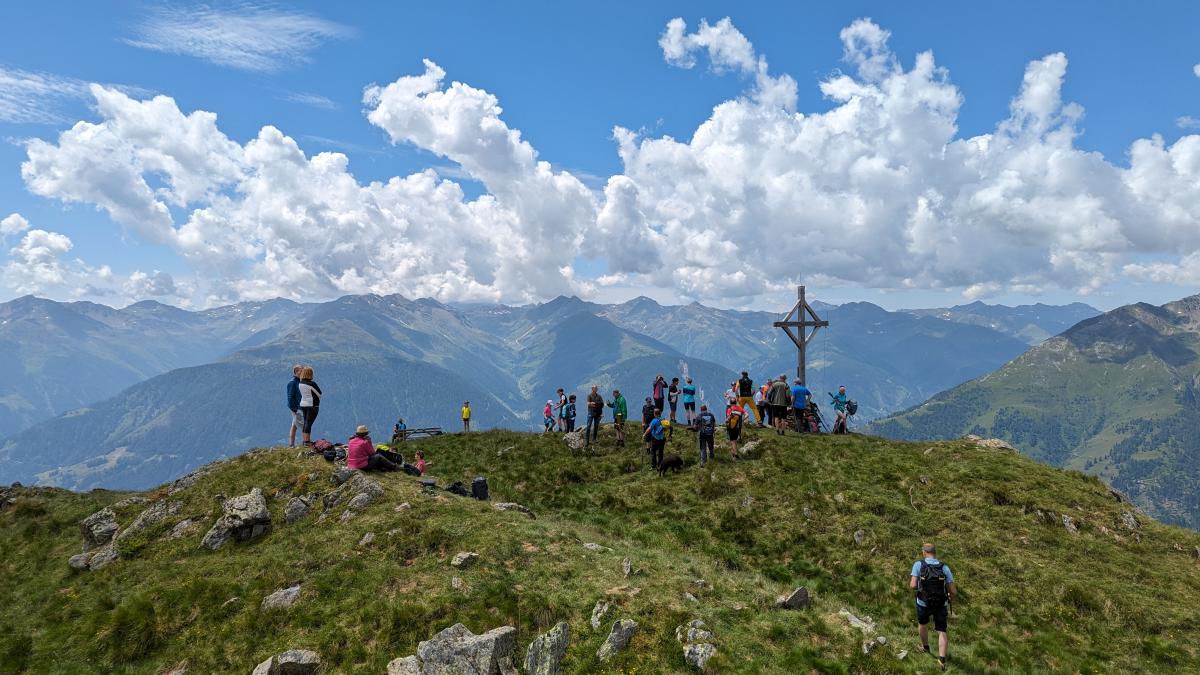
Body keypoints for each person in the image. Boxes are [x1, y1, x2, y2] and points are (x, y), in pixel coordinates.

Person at [910, 543, 957, 670]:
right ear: (935, 553)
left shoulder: (918, 565)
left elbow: (913, 585)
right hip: (941, 604)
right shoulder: (944, 567)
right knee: (942, 630)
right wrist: (949, 597)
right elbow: (953, 591)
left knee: (923, 624)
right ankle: (942, 660)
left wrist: (922, 586)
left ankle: (925, 647)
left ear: (924, 553)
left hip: (923, 603)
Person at [297, 366, 322, 446]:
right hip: (312, 405)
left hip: (303, 404)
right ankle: (307, 442)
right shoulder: (312, 383)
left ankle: (305, 440)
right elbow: (319, 393)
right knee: (309, 423)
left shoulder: (300, 383)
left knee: (306, 423)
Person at [286, 364, 303, 447]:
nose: (303, 372)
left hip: (299, 407)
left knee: (294, 425)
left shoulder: (299, 381)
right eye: (301, 370)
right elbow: (290, 397)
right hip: (295, 408)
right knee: (303, 425)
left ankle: (291, 444)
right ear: (296, 371)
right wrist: (294, 409)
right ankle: (307, 442)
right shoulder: (292, 383)